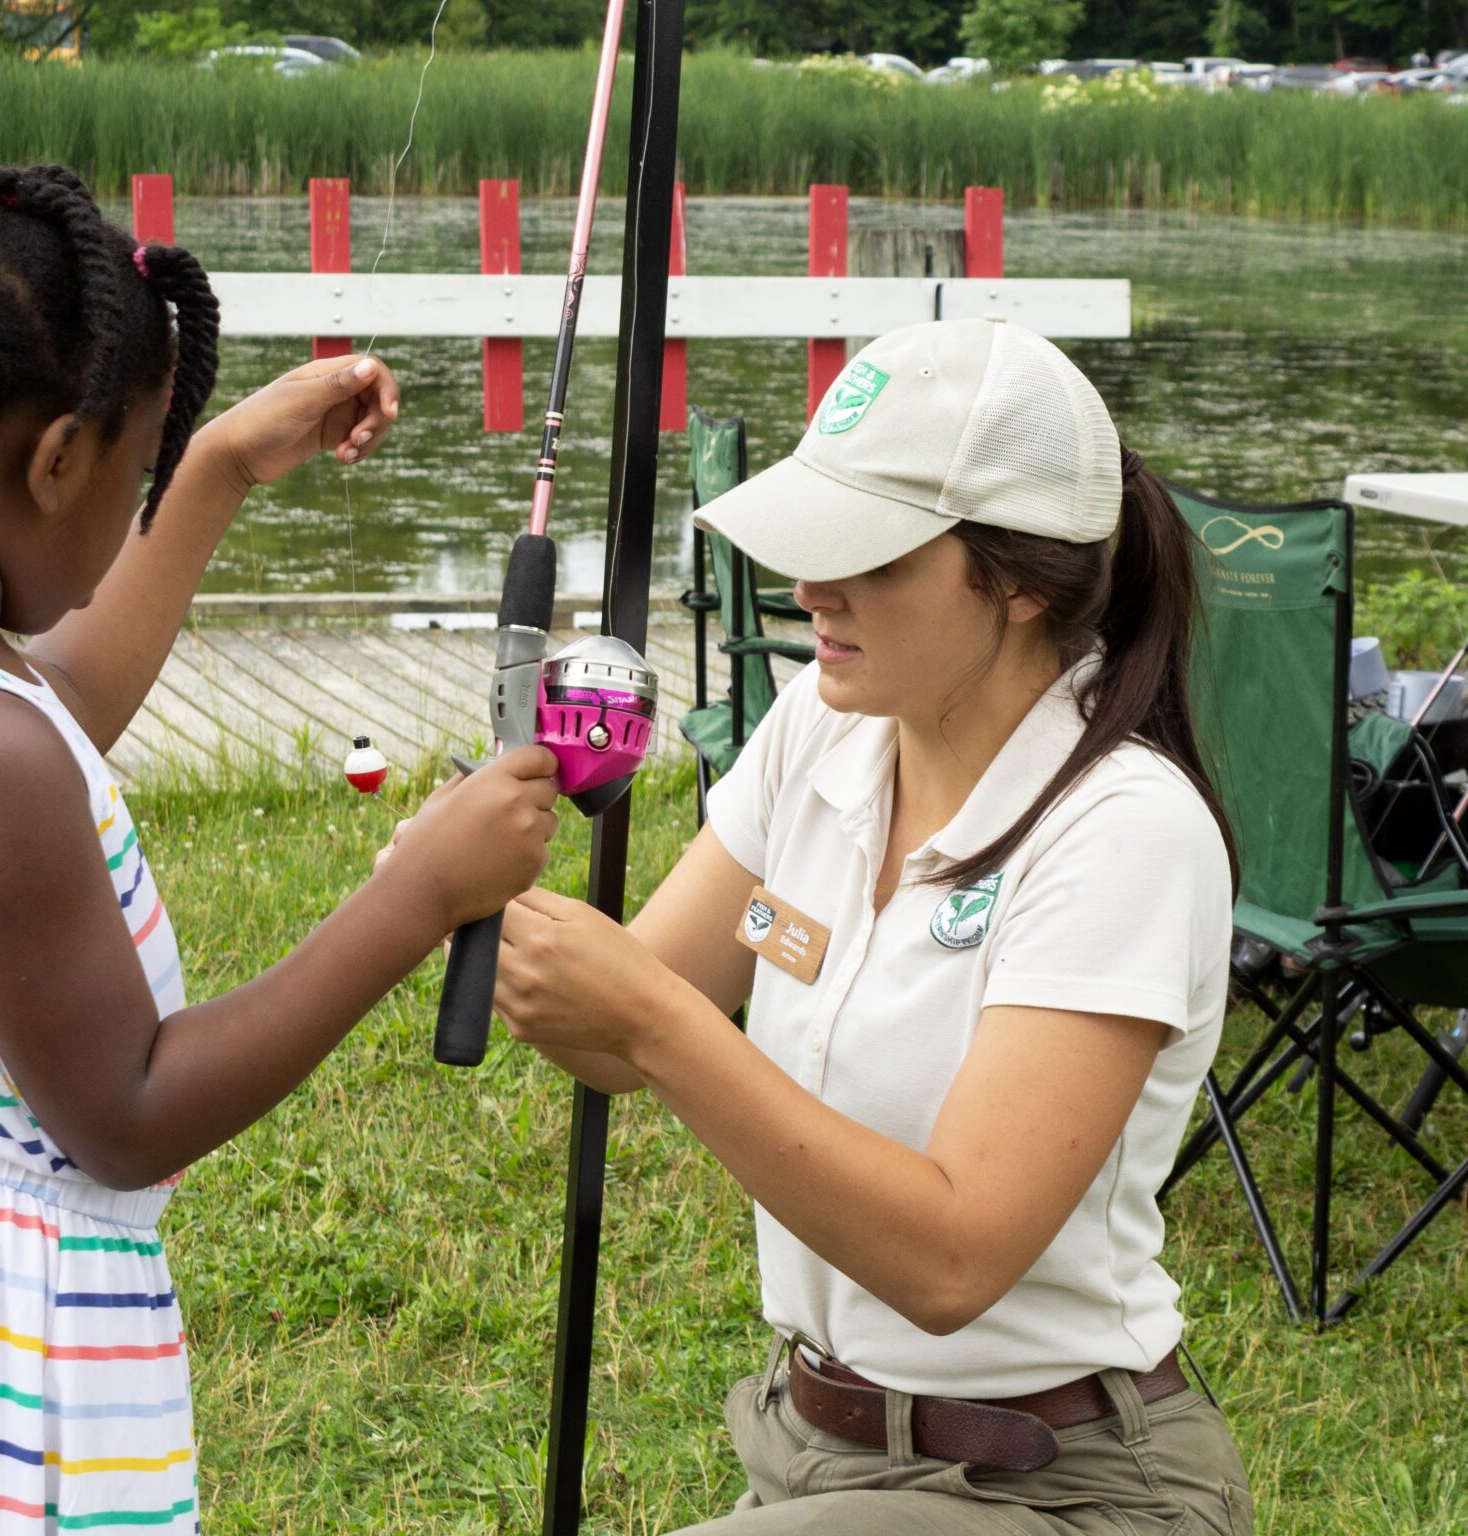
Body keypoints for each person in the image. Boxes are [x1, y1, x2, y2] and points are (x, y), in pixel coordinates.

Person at [0, 160, 559, 1535]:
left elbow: (52, 711)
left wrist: (210, 473)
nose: (135, 503)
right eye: (134, 473)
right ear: (53, 460)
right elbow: (128, 1117)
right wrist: (414, 896)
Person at [480, 319, 1256, 1533]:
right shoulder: (824, 730)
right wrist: (466, 893)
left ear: (1019, 581)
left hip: (1059, 1489)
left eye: (870, 556)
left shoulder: (1124, 833)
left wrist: (655, 1022)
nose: (808, 592)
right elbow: (604, 1034)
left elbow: (953, 1260)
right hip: (814, 1457)